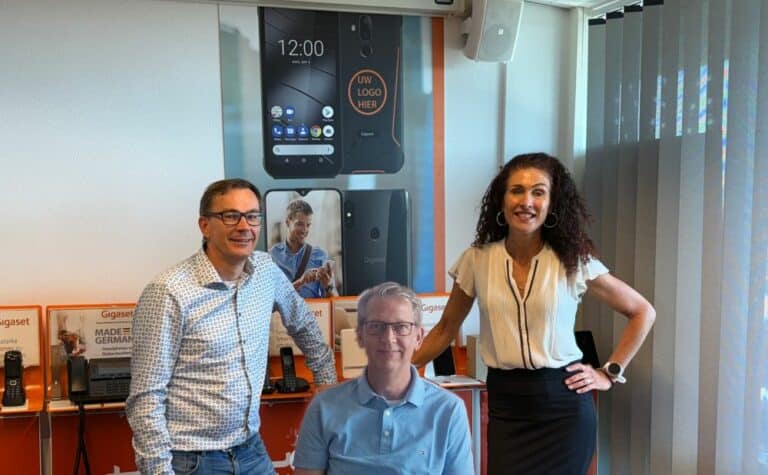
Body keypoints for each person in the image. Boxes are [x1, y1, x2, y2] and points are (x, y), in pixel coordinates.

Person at [413, 153, 655, 475]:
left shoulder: (572, 261)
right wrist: (404, 366)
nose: (526, 201)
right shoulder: (476, 260)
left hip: (565, 405)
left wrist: (609, 373)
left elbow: (642, 311)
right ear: (502, 200)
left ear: (552, 204)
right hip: (507, 404)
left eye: (538, 192)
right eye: (517, 190)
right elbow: (445, 328)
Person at [126, 178, 337, 475]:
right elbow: (145, 399)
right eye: (230, 216)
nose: (244, 226)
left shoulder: (265, 271)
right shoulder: (168, 292)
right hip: (191, 460)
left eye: (252, 216)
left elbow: (304, 324)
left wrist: (326, 383)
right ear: (205, 225)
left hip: (250, 449)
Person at [293, 282, 474, 475]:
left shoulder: (448, 410)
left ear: (418, 337)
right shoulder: (323, 408)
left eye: (401, 327)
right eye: (376, 327)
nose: (388, 338)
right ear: (360, 336)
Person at [269, 199, 338, 298]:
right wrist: (301, 282)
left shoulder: (320, 255)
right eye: (299, 224)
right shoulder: (272, 256)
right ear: (287, 222)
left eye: (308, 225)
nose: (304, 230)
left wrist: (328, 286)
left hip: (314, 308)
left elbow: (335, 301)